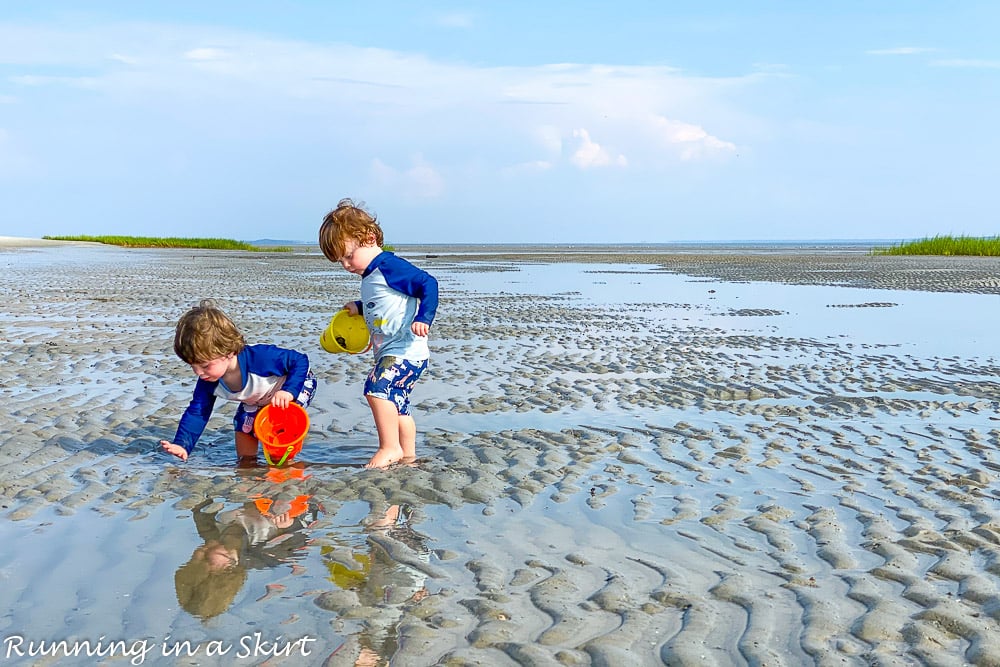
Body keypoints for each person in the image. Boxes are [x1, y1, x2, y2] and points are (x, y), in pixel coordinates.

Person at [318, 198, 438, 468]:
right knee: (398, 404)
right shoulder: (371, 275)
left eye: (349, 256)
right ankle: (408, 456)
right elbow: (386, 304)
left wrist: (424, 317)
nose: (347, 265)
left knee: (376, 390)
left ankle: (389, 447)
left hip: (405, 350)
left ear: (369, 238)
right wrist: (360, 308)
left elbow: (428, 283)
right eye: (341, 261)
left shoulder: (388, 266)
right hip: (395, 351)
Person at [160, 299, 317, 464]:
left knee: (279, 425)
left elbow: (299, 360)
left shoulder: (260, 358)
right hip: (257, 398)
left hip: (296, 384)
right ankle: (247, 463)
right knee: (244, 425)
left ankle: (284, 465)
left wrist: (288, 390)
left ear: (227, 352)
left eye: (205, 365)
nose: (199, 373)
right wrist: (182, 445)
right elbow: (197, 412)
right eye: (193, 366)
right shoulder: (208, 381)